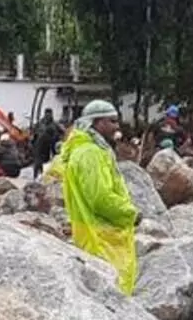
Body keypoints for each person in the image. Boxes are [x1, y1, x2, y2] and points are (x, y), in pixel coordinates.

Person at [47, 100, 140, 294]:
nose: (117, 126)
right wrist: (131, 213)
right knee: (114, 293)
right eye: (112, 121)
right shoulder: (91, 153)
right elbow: (100, 198)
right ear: (97, 123)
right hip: (102, 236)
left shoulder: (83, 149)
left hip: (91, 232)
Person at [31, 109, 62, 180]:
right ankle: (37, 176)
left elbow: (62, 132)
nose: (48, 115)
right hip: (41, 145)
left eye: (49, 114)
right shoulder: (40, 123)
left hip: (51, 145)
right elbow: (34, 132)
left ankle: (44, 175)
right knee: (39, 161)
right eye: (47, 114)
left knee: (49, 161)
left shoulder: (54, 124)